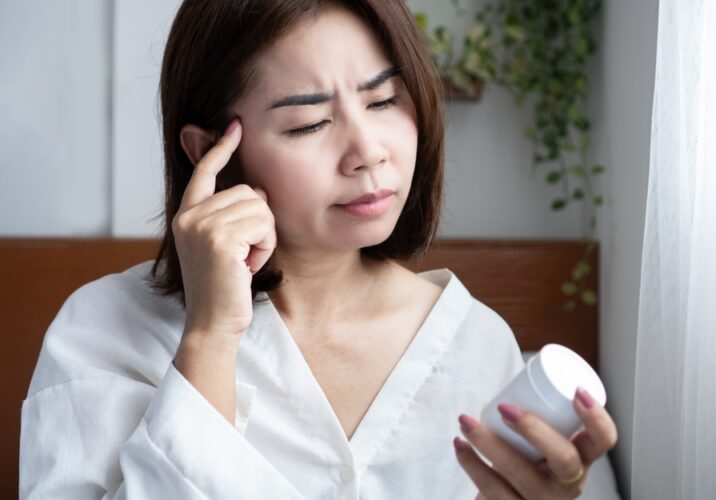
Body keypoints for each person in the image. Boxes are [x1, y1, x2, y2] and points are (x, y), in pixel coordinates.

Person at [19, 0, 618, 498]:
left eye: (383, 101)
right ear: (209, 152)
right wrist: (208, 338)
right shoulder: (102, 331)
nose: (368, 151)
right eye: (308, 124)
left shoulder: (476, 343)